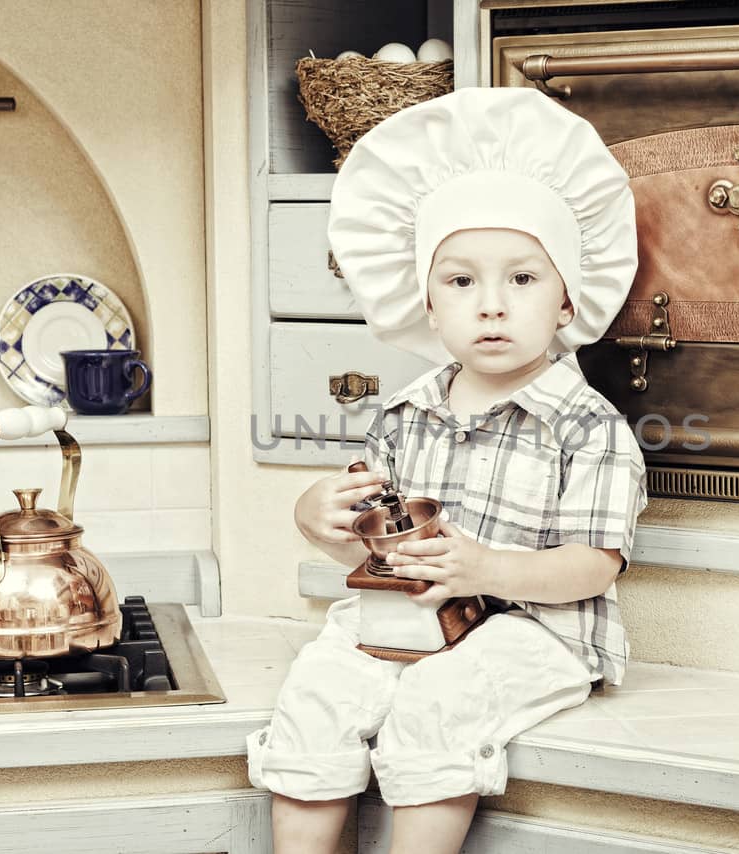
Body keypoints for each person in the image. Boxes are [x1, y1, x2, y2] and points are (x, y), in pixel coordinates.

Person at [246, 86, 646, 854]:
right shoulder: (404, 413)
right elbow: (377, 546)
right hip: (409, 616)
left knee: (437, 701)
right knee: (317, 690)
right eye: (461, 281)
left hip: (536, 629)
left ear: (568, 299)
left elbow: (592, 569)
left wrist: (483, 567)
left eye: (523, 279)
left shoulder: (589, 428)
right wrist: (317, 517)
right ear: (427, 303)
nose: (491, 306)